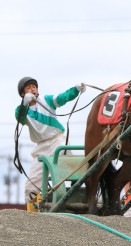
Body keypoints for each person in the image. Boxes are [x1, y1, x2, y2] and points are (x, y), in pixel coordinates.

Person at [15, 76, 86, 211]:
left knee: (71, 167)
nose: (32, 90)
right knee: (30, 187)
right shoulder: (20, 110)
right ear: (22, 94)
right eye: (28, 88)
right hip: (40, 147)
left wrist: (76, 89)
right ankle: (32, 216)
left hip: (57, 140)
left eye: (34, 87)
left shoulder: (46, 100)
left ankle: (80, 189)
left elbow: (63, 97)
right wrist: (25, 104)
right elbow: (21, 119)